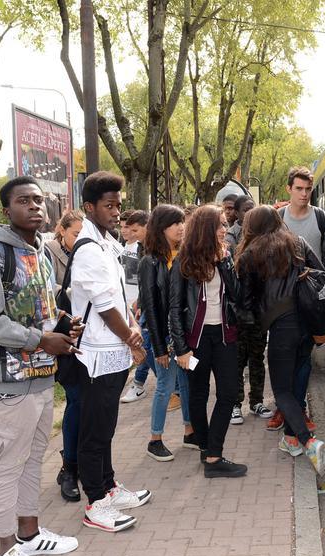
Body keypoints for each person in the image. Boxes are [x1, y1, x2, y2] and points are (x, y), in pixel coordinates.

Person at [0, 176, 80, 556]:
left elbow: (39, 306)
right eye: (24, 201)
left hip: (40, 375)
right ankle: (3, 551)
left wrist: (63, 322)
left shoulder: (40, 251)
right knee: (7, 466)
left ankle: (29, 534)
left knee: (33, 458)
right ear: (7, 209)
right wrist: (40, 339)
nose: (35, 206)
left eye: (38, 199)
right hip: (5, 382)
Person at [72, 171, 151, 532]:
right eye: (109, 205)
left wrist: (132, 331)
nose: (116, 212)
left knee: (106, 427)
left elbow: (119, 297)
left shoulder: (106, 242)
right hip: (97, 354)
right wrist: (133, 339)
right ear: (89, 207)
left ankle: (108, 486)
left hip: (113, 350)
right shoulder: (88, 248)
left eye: (118, 205)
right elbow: (104, 305)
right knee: (94, 431)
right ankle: (95, 502)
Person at [236, 206, 325, 474]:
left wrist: (253, 330)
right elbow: (321, 275)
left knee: (282, 390)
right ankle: (291, 438)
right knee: (298, 379)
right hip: (307, 322)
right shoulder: (297, 243)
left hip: (280, 328)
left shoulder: (250, 254)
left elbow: (246, 302)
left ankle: (308, 441)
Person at [168, 204, 247, 478]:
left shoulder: (226, 256)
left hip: (225, 336)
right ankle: (207, 449)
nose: (225, 229)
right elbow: (175, 309)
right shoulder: (184, 261)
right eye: (220, 225)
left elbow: (237, 295)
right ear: (205, 228)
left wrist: (225, 264)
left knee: (228, 393)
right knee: (198, 394)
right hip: (196, 340)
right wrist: (181, 349)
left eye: (225, 224)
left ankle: (213, 453)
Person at [268, 166, 325, 433]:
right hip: (280, 303)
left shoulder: (323, 219)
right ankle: (284, 407)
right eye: (299, 188)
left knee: (303, 360)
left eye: (308, 189)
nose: (304, 193)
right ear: (288, 189)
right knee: (280, 360)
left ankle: (297, 410)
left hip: (310, 303)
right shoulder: (276, 219)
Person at [137, 204, 194, 460]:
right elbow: (150, 306)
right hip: (162, 334)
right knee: (165, 385)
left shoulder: (185, 255)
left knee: (187, 383)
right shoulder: (149, 262)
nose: (181, 227)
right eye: (175, 223)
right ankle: (155, 439)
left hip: (184, 334)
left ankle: (190, 432)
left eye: (182, 222)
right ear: (161, 228)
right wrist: (159, 346)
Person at [44, 209, 85, 502]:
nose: (79, 239)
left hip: (91, 338)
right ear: (62, 231)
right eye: (75, 234)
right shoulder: (48, 254)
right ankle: (69, 468)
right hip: (65, 336)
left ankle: (82, 462)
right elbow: (45, 296)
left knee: (89, 406)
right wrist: (69, 293)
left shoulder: (94, 251)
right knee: (76, 401)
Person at [226, 194, 271, 423]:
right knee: (237, 361)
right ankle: (235, 404)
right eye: (246, 209)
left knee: (257, 359)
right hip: (239, 314)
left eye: (253, 209)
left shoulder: (264, 239)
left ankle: (256, 402)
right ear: (237, 213)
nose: (250, 213)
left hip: (259, 313)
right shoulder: (231, 239)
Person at [120, 210, 152, 404]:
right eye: (124, 227)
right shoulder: (124, 246)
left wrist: (141, 300)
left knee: (145, 345)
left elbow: (147, 280)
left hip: (143, 304)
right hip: (132, 304)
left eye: (132, 229)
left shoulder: (149, 248)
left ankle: (138, 384)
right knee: (143, 345)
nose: (126, 232)